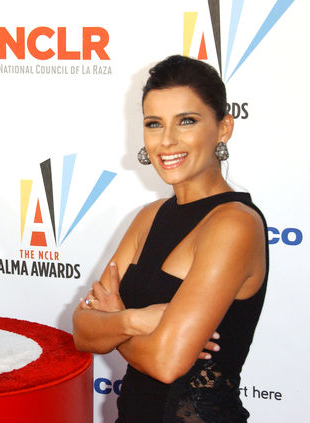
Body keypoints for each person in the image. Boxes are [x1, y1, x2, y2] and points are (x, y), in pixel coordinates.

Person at [72, 55, 268, 423]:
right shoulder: (149, 216)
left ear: (223, 128)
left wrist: (113, 321)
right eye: (154, 124)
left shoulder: (234, 224)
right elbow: (83, 330)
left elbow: (166, 363)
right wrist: (134, 320)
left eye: (187, 121)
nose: (167, 141)